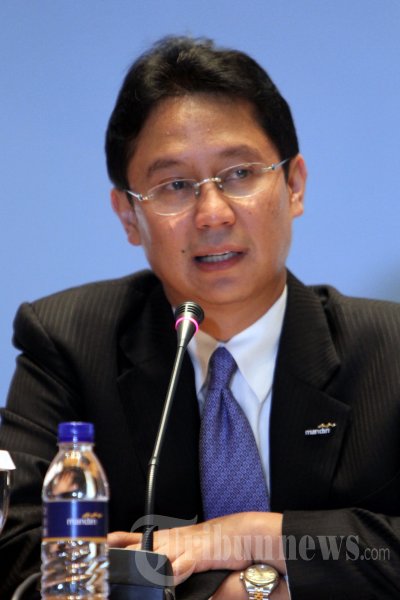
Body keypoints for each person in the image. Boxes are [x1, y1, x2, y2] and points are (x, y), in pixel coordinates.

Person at [0, 35, 399, 600]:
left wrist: (246, 535)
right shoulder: (68, 344)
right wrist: (248, 590)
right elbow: (21, 558)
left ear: (294, 185)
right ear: (129, 216)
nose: (212, 214)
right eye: (175, 186)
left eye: (239, 174)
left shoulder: (390, 352)